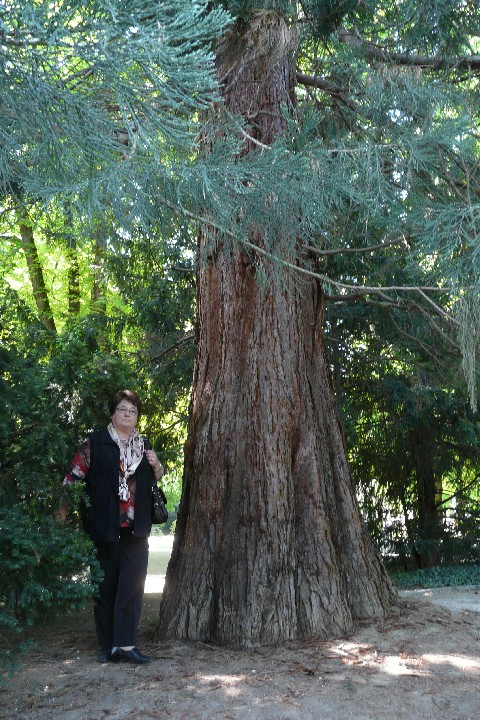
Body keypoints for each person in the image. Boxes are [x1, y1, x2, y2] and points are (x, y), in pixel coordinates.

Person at [58, 389, 164, 664]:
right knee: (105, 588)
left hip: (136, 527)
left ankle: (126, 646)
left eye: (133, 411)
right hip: (104, 526)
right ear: (112, 414)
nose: (128, 415)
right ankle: (108, 647)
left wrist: (156, 465)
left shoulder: (144, 444)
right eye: (122, 410)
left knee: (132, 587)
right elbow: (72, 479)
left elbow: (156, 479)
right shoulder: (94, 443)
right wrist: (61, 512)